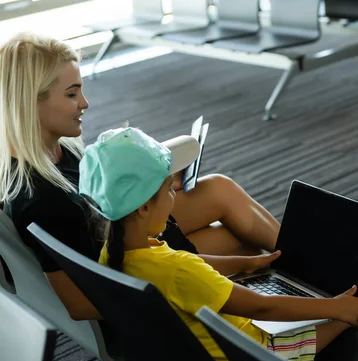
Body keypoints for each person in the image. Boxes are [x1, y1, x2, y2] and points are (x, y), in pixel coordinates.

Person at [0, 32, 281, 320]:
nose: (84, 103)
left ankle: (306, 271)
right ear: (30, 101)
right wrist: (166, 289)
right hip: (135, 264)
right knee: (245, 243)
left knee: (220, 189)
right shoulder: (42, 200)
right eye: (72, 94)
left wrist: (153, 182)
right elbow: (78, 304)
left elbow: (102, 202)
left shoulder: (56, 151)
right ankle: (307, 279)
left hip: (134, 233)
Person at [79, 126, 358, 361]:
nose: (174, 197)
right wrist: (334, 307)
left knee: (338, 310)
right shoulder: (180, 270)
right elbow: (261, 305)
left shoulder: (115, 254)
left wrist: (243, 264)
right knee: (354, 313)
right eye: (169, 189)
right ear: (143, 208)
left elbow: (180, 265)